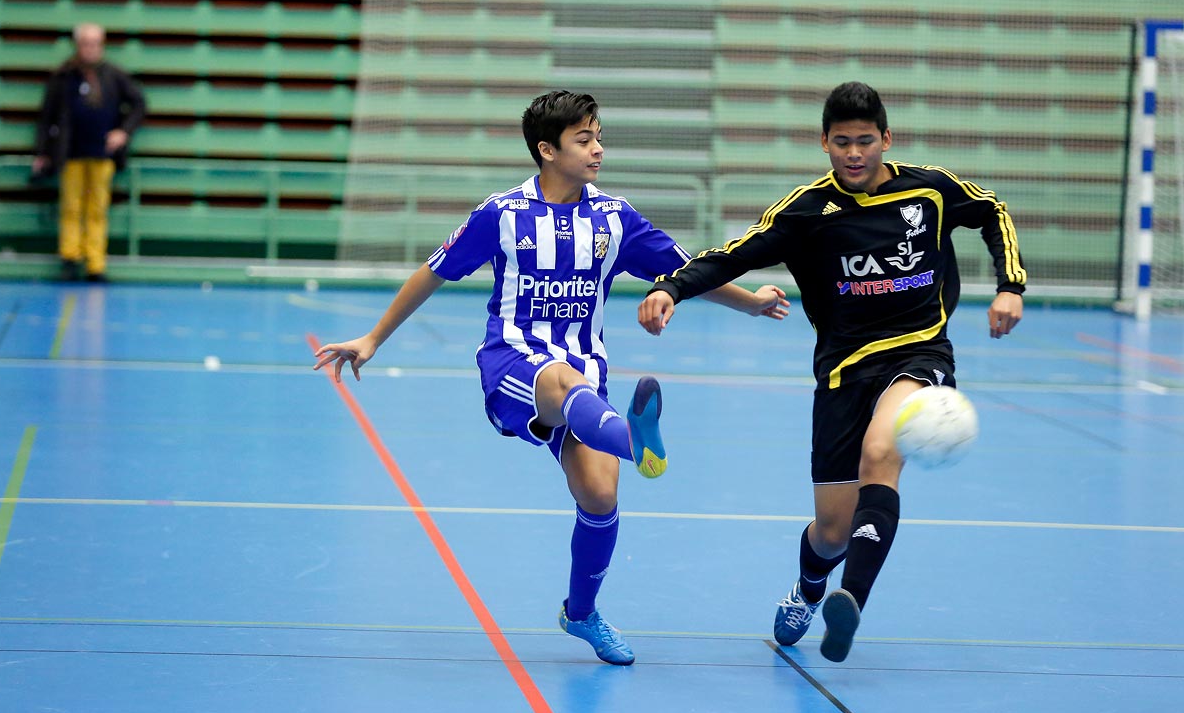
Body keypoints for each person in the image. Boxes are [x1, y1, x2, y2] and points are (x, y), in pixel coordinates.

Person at [314, 91, 789, 665]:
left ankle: (581, 613)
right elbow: (432, 272)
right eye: (584, 140)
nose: (598, 149)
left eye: (598, 137)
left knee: (600, 495)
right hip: (514, 365)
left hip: (589, 382)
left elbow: (687, 272)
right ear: (547, 149)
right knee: (562, 381)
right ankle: (637, 441)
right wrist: (372, 338)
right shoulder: (502, 214)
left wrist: (753, 305)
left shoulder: (614, 218)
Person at [637, 82, 1026, 663]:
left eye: (865, 141)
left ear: (885, 139)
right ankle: (812, 585)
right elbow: (735, 252)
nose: (853, 153)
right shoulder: (806, 213)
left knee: (881, 454)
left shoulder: (931, 191)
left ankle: (852, 600)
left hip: (918, 353)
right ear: (824, 143)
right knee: (831, 531)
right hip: (844, 371)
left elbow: (991, 209)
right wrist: (671, 287)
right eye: (841, 142)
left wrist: (1009, 286)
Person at [31, 23, 146, 283]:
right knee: (71, 208)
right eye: (85, 43)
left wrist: (123, 131)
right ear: (78, 45)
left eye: (95, 43)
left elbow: (139, 103)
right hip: (70, 154)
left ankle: (95, 263)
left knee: (97, 210)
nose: (90, 48)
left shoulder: (114, 75)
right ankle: (70, 258)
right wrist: (43, 152)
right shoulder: (63, 76)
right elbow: (46, 116)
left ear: (102, 45)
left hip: (102, 154)